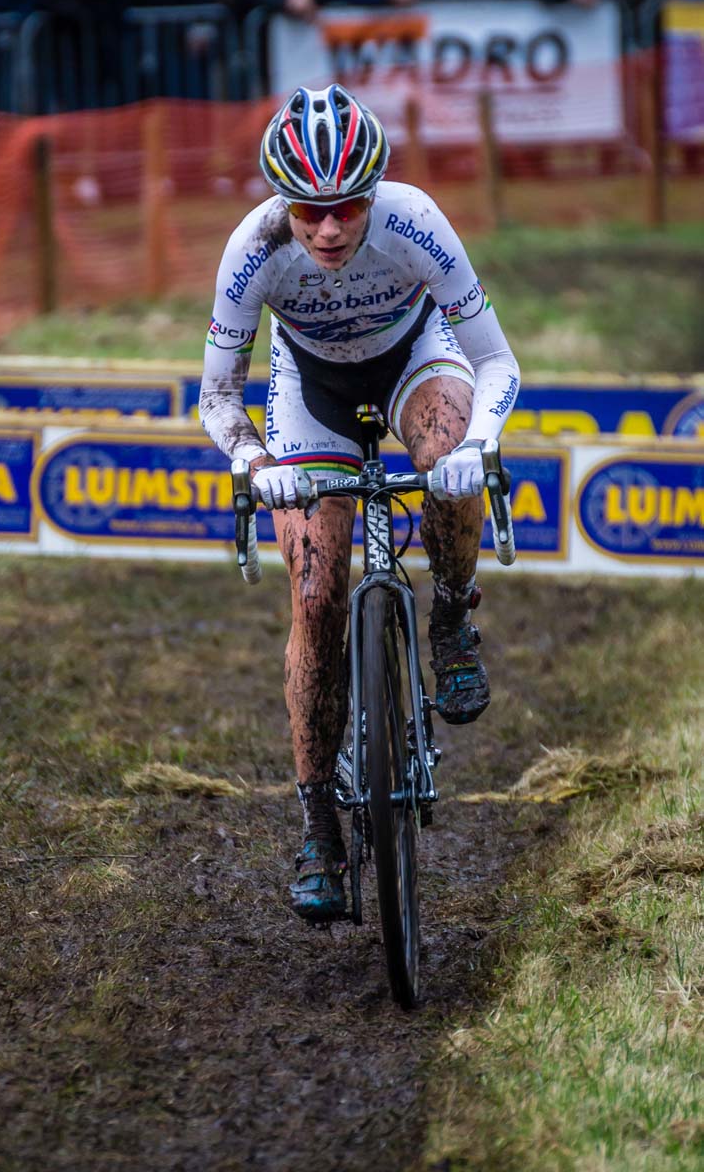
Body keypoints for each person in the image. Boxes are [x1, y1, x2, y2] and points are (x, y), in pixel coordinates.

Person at [199, 85, 520, 921]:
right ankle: (318, 828)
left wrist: (478, 448)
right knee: (314, 599)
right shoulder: (254, 246)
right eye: (310, 211)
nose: (329, 229)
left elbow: (497, 363)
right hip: (311, 389)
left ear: (373, 193)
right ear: (283, 203)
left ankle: (449, 617)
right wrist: (252, 458)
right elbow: (217, 394)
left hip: (416, 357)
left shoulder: (414, 220)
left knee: (447, 460)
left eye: (346, 208)